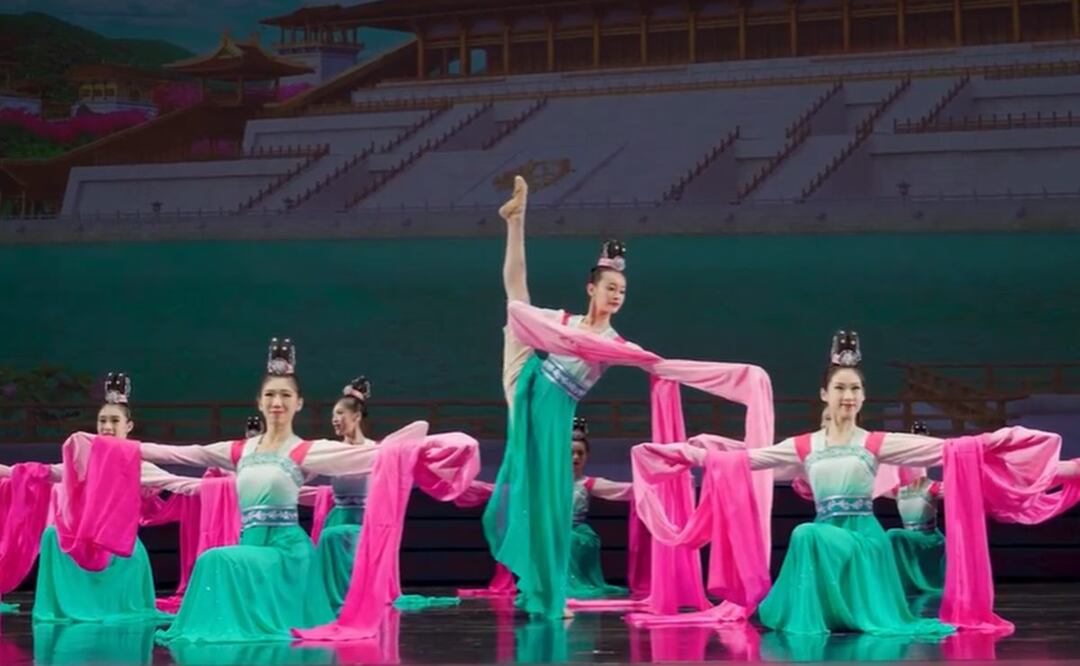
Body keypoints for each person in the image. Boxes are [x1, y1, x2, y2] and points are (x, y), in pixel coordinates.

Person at [482, 175, 631, 619]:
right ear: (592, 288)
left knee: (545, 504)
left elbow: (637, 358)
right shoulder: (563, 320)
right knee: (518, 302)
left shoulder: (614, 342)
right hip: (528, 382)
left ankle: (545, 587)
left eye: (622, 292)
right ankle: (516, 220)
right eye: (610, 289)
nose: (617, 296)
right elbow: (521, 304)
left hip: (554, 415)